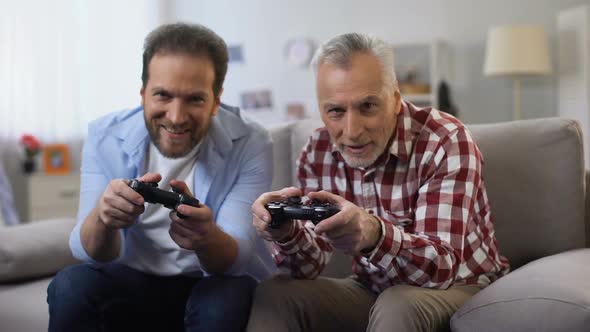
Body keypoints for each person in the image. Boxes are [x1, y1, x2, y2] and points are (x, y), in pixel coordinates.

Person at [248, 33, 510, 332]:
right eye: (335, 111)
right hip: (373, 290)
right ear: (320, 109)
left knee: (397, 302)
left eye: (368, 106)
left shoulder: (445, 140)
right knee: (276, 293)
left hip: (461, 286)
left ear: (396, 100)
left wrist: (373, 233)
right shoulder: (317, 150)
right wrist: (285, 232)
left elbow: (442, 268)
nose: (352, 130)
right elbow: (308, 266)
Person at [47, 22, 277, 332]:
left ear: (216, 99)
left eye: (195, 99)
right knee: (70, 284)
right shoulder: (104, 135)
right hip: (132, 281)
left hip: (209, 282)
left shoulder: (252, 141)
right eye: (162, 96)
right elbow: (87, 252)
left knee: (228, 294)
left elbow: (238, 255)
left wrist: (207, 237)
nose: (176, 116)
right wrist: (104, 218)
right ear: (143, 93)